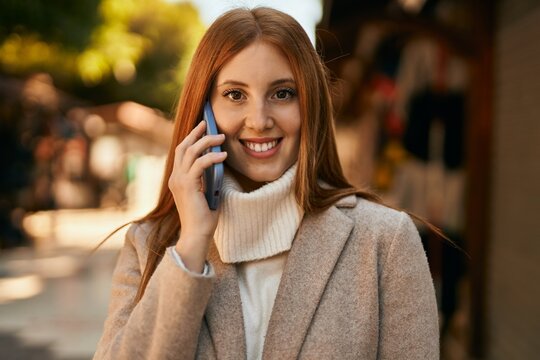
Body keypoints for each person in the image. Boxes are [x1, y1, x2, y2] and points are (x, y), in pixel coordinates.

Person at [94, 7, 439, 360]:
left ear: (310, 106)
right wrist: (192, 244)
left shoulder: (385, 241)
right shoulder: (148, 244)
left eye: (282, 93)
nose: (259, 121)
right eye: (235, 95)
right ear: (203, 113)